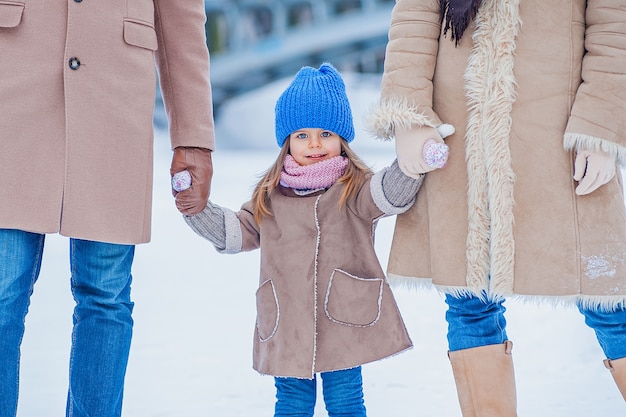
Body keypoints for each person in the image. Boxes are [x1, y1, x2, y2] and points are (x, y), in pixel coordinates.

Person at [367, 0, 626, 414]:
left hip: (561, 130)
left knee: (610, 296)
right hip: (460, 132)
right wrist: (410, 116)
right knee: (470, 298)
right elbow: (415, 15)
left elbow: (615, 26)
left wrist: (601, 126)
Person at [183, 63, 437, 416]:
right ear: (286, 142)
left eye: (325, 134)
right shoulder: (271, 197)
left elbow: (388, 194)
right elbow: (236, 231)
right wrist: (197, 210)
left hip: (344, 315)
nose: (314, 144)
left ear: (342, 139)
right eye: (302, 135)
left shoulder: (354, 190)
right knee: (292, 402)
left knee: (346, 399)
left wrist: (413, 162)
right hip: (287, 319)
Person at [0, 2, 214, 416]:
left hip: (115, 97)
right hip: (12, 88)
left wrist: (193, 136)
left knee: (105, 295)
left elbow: (181, 15)